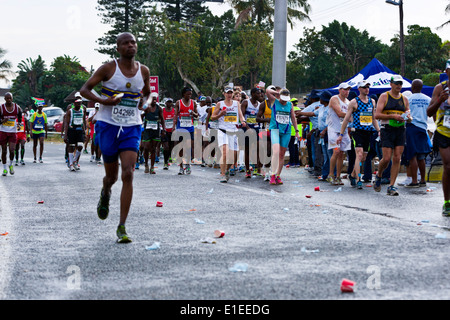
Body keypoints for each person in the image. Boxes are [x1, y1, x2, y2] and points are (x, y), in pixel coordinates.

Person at [80, 32, 151, 243]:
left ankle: (122, 226)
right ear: (118, 48)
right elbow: (85, 89)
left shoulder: (143, 70)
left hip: (132, 126)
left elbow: (147, 93)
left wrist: (144, 103)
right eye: (126, 43)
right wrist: (105, 101)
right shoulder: (108, 68)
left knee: (128, 173)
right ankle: (106, 190)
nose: (131, 46)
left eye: (133, 42)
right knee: (111, 177)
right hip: (108, 125)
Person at [337, 80, 379, 189]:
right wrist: (341, 135)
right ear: (359, 89)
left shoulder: (372, 101)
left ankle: (352, 175)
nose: (367, 89)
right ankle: (358, 179)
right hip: (357, 132)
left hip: (368, 132)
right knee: (359, 154)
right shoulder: (354, 102)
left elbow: (373, 119)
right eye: (364, 87)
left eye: (368, 87)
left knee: (364, 157)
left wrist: (379, 131)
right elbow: (346, 119)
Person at [374, 75, 411, 196]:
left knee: (397, 158)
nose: (398, 86)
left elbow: (408, 114)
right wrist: (392, 116)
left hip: (400, 129)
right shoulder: (384, 96)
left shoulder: (404, 99)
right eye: (396, 83)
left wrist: (408, 118)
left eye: (400, 83)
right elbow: (377, 115)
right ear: (391, 84)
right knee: (386, 158)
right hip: (387, 129)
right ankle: (379, 175)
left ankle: (392, 186)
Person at [427, 59, 450, 216]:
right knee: (448, 166)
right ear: (446, 71)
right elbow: (429, 112)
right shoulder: (440, 88)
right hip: (444, 132)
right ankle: (447, 202)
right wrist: (440, 100)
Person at [210, 85, 247, 183]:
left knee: (232, 157)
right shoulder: (220, 104)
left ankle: (226, 171)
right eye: (227, 93)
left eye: (231, 93)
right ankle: (222, 174)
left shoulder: (236, 104)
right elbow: (212, 118)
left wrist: (243, 121)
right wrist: (220, 114)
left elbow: (240, 115)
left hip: (233, 132)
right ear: (224, 94)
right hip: (223, 131)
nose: (229, 95)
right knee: (225, 153)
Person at [266, 87, 300, 184]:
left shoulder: (290, 104)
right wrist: (277, 93)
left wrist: (297, 131)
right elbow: (268, 91)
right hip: (275, 129)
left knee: (281, 154)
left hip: (286, 131)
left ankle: (278, 175)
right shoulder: (274, 102)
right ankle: (272, 174)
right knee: (276, 151)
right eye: (283, 99)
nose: (284, 102)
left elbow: (293, 118)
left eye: (286, 100)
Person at [402, 79, 432, 188]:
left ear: (412, 87)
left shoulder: (408, 99)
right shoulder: (428, 99)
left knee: (412, 155)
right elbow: (431, 113)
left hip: (412, 127)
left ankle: (414, 181)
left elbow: (405, 114)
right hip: (423, 128)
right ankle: (423, 180)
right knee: (421, 156)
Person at [327, 83, 352, 186]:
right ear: (340, 90)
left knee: (342, 153)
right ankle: (331, 174)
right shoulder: (334, 99)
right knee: (336, 151)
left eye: (348, 90)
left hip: (343, 130)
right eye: (345, 90)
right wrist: (350, 116)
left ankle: (338, 176)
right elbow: (339, 112)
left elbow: (348, 117)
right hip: (333, 128)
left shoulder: (349, 102)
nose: (347, 92)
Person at [173, 87, 198, 175]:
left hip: (190, 128)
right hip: (180, 128)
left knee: (188, 147)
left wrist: (193, 113)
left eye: (190, 94)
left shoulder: (193, 103)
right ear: (183, 94)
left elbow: (197, 115)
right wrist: (173, 127)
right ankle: (180, 167)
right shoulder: (178, 103)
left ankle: (187, 164)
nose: (189, 96)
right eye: (188, 94)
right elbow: (175, 115)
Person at [142, 93, 165, 174]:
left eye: (156, 99)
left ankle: (152, 167)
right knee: (146, 147)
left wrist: (164, 129)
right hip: (147, 130)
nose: (155, 101)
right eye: (153, 99)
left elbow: (162, 119)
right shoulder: (146, 107)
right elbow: (141, 115)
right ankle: (146, 164)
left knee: (153, 149)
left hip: (156, 130)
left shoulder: (159, 108)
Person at [0, 92, 23, 176]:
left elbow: (20, 117)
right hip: (3, 131)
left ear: (12, 98)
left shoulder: (17, 107)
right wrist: (3, 121)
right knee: (4, 150)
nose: (9, 100)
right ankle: (5, 168)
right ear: (5, 99)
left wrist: (19, 124)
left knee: (12, 150)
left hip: (13, 132)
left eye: (10, 98)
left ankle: (11, 165)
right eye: (7, 98)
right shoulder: (1, 108)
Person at [241, 87, 261, 178]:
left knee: (257, 148)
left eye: (260, 93)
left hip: (256, 128)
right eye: (257, 93)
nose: (259, 95)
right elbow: (241, 117)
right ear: (252, 94)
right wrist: (248, 128)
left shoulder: (260, 104)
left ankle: (257, 168)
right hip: (247, 128)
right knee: (247, 149)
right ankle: (247, 170)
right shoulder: (245, 102)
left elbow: (260, 117)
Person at [64, 98, 86, 171]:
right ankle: (70, 164)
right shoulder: (70, 111)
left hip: (79, 130)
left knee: (80, 146)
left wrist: (84, 132)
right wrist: (65, 134)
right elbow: (66, 123)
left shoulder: (82, 111)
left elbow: (83, 122)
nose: (79, 105)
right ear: (74, 104)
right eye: (78, 103)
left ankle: (74, 161)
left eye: (80, 103)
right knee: (71, 147)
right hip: (72, 130)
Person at [162, 98, 175, 170]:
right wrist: (162, 129)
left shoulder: (174, 110)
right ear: (165, 103)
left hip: (172, 131)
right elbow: (161, 119)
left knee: (171, 146)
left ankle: (169, 157)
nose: (169, 104)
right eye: (168, 102)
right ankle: (165, 162)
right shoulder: (163, 110)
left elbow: (176, 119)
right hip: (165, 131)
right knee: (166, 147)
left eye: (171, 102)